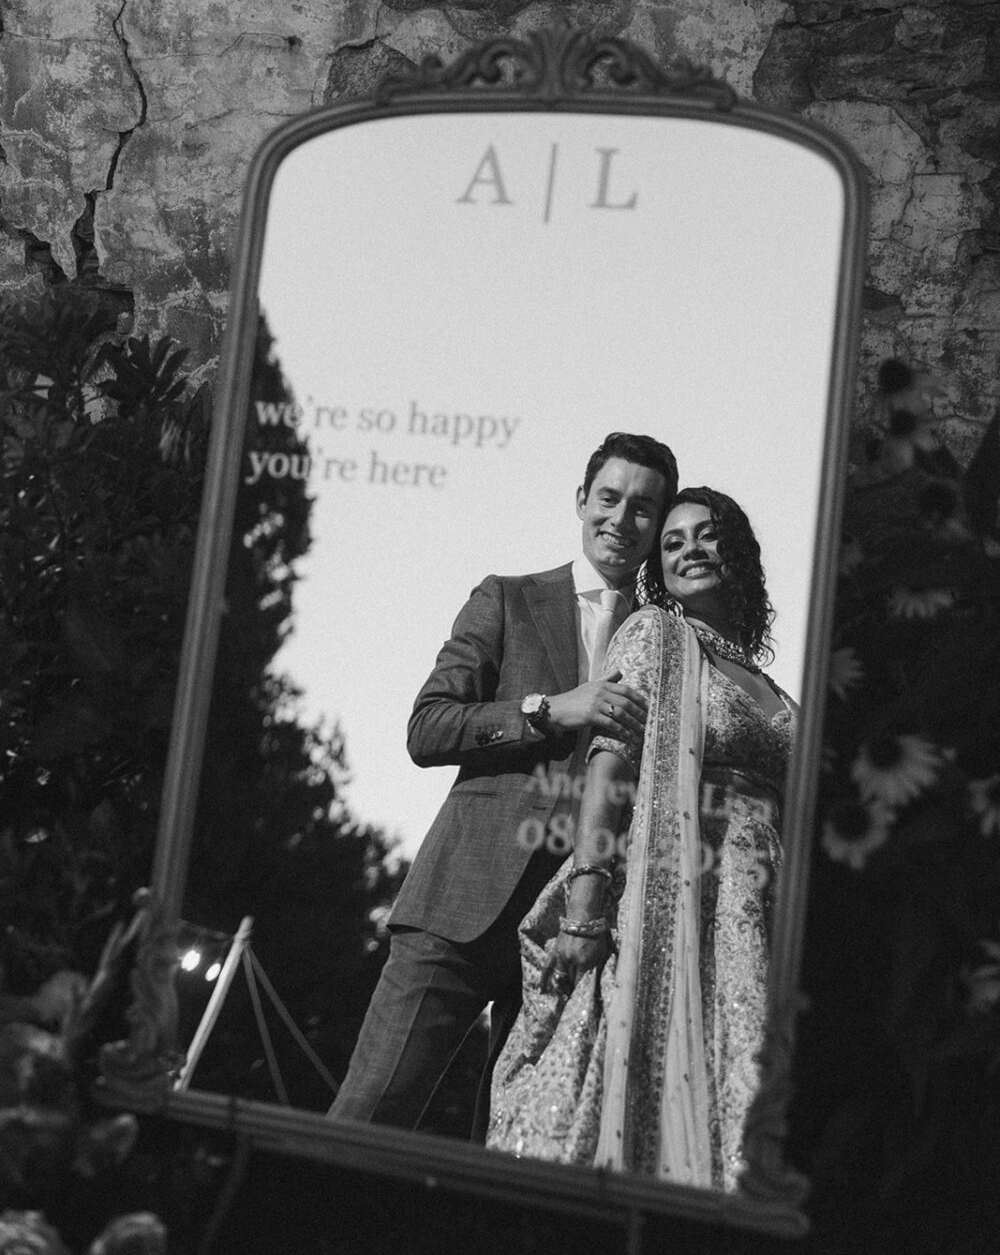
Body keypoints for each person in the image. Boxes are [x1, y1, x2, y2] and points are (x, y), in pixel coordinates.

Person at [328, 432, 679, 1135]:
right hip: (459, 909)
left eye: (644, 509)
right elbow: (428, 728)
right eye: (608, 498)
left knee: (518, 1148)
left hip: (573, 933)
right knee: (366, 1121)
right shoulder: (508, 599)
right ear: (582, 502)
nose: (621, 519)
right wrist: (548, 710)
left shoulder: (667, 640)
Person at [487, 487, 795, 1191]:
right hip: (680, 901)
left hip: (763, 913)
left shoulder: (768, 681)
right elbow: (612, 759)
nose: (689, 550)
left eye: (706, 535)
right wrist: (586, 899)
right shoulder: (657, 632)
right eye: (674, 542)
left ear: (738, 551)